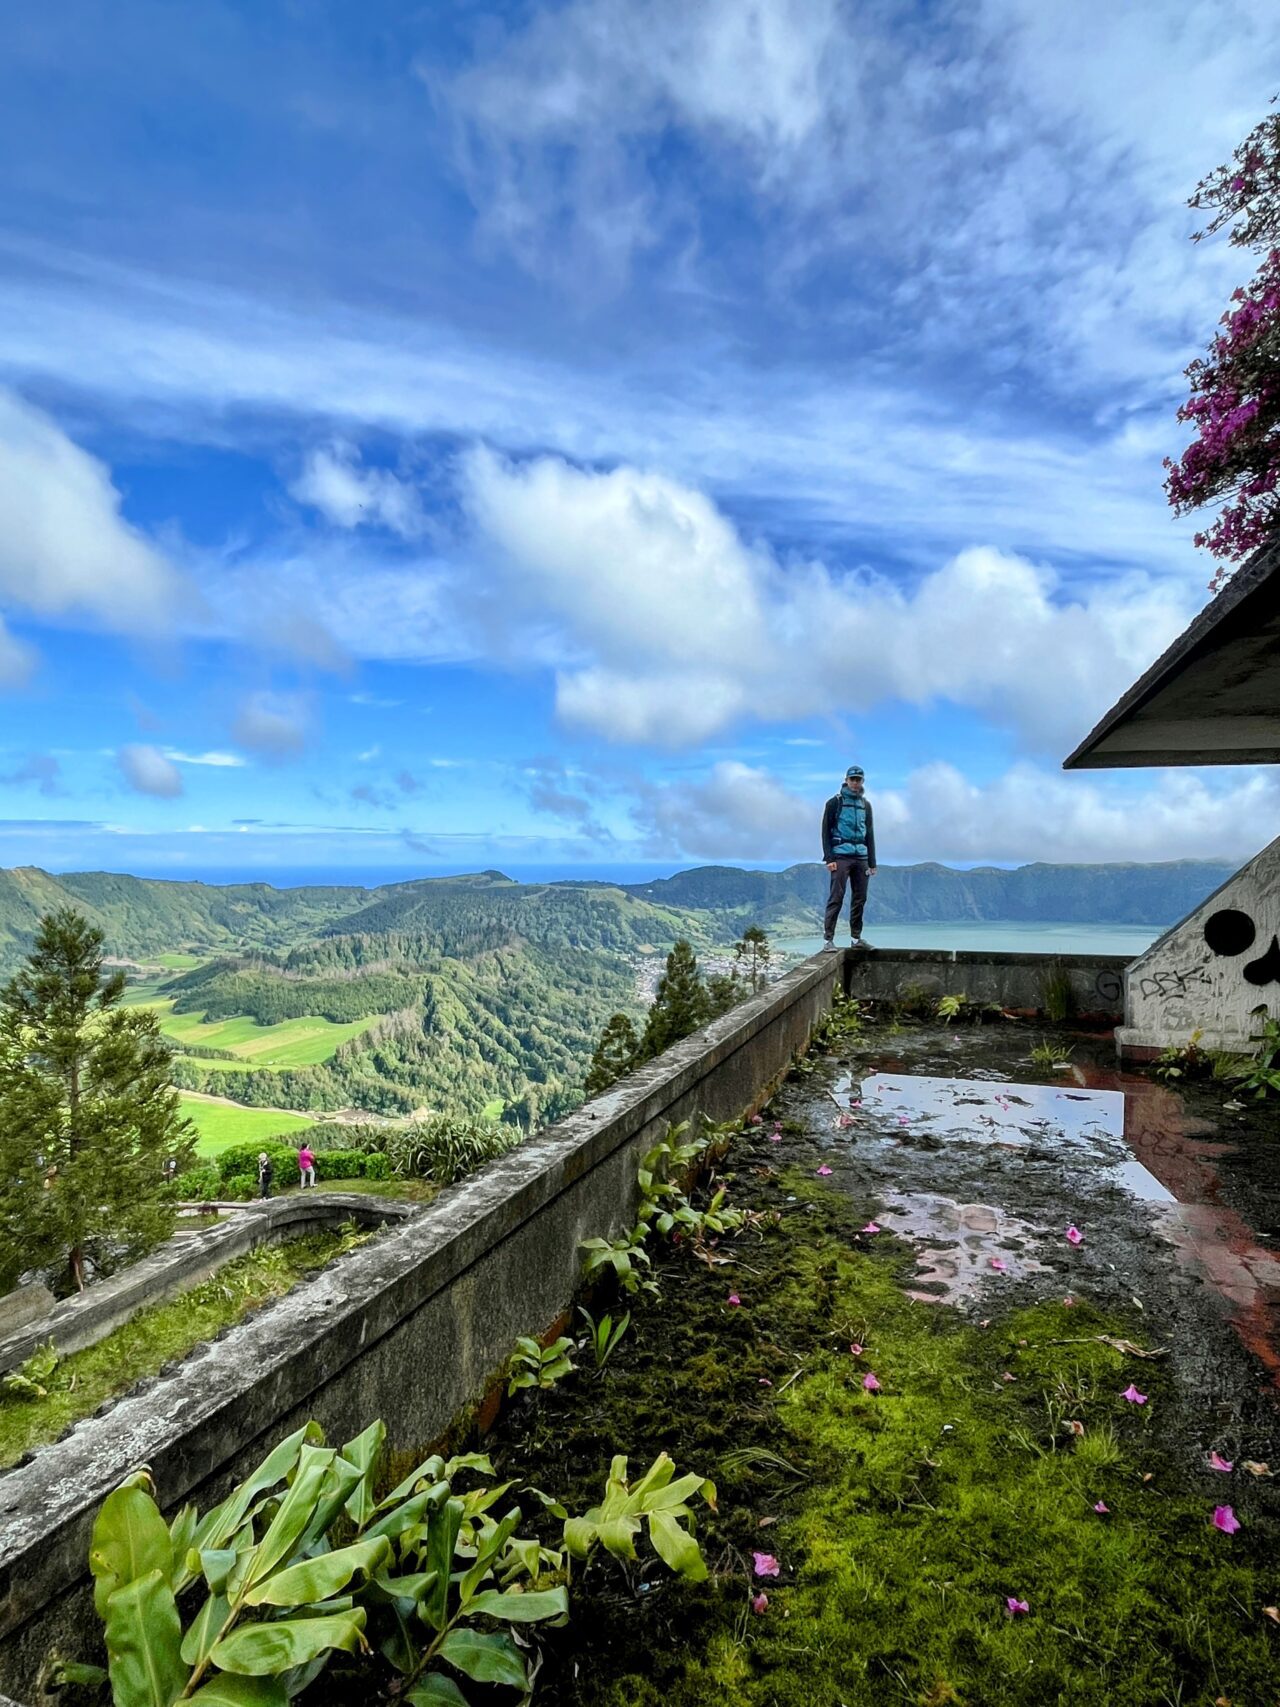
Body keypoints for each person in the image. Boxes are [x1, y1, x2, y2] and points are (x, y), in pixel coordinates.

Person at [821, 765, 877, 950]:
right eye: (852, 779)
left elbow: (869, 834)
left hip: (861, 856)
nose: (855, 782)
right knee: (836, 896)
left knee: (860, 898)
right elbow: (825, 832)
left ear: (862, 781)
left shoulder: (865, 805)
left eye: (858, 779)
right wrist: (829, 859)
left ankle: (856, 939)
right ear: (846, 780)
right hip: (841, 855)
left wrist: (872, 862)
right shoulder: (835, 802)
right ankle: (828, 940)